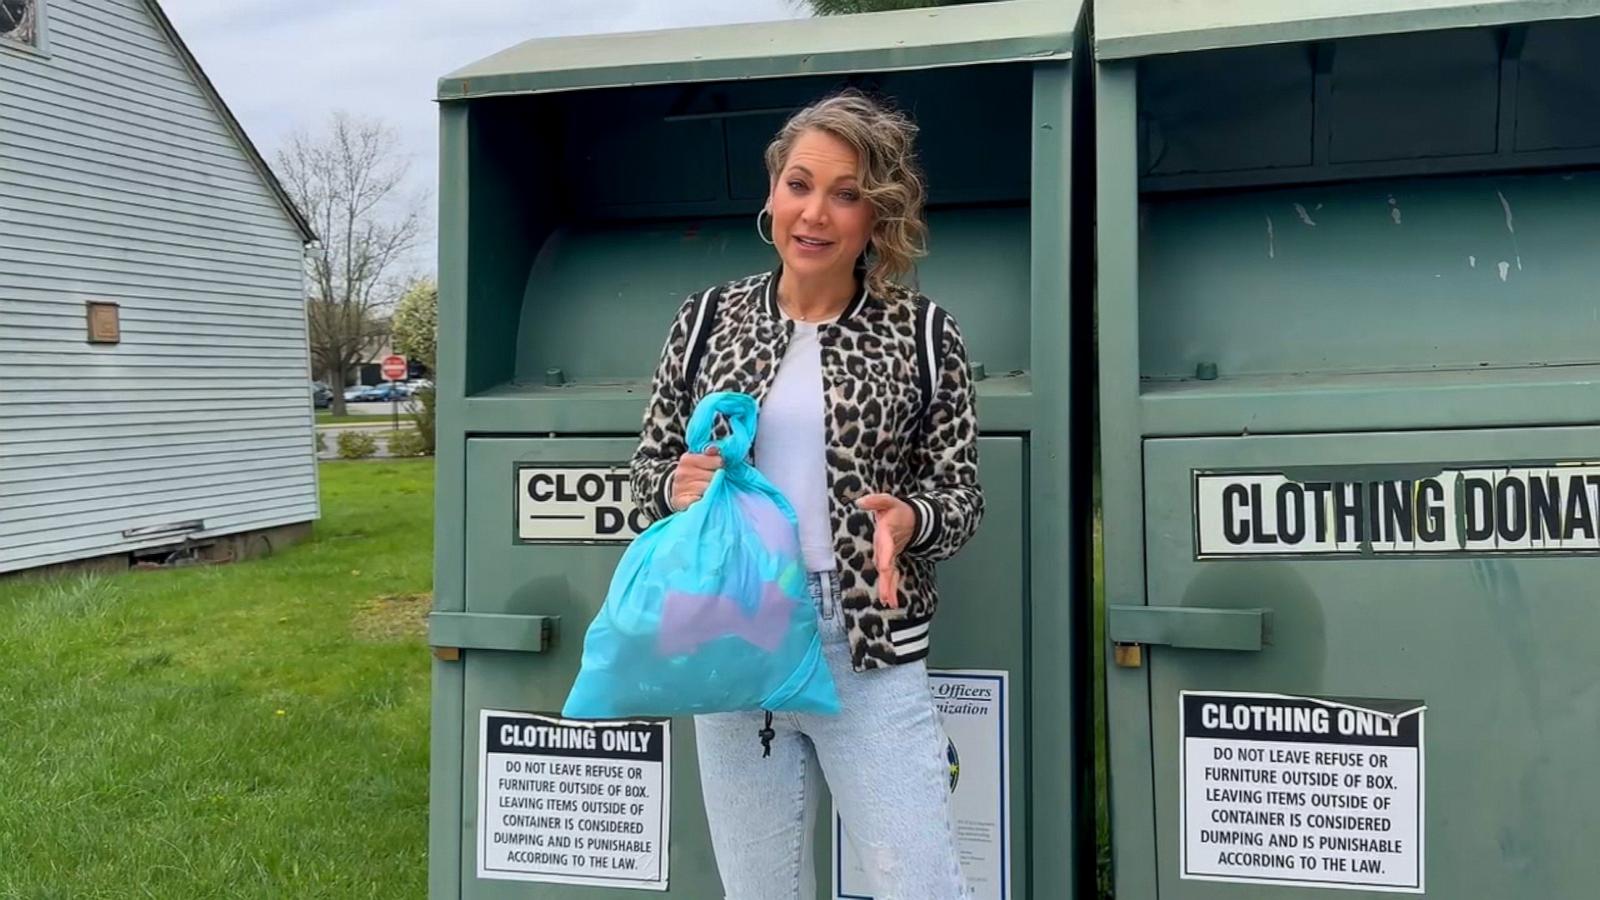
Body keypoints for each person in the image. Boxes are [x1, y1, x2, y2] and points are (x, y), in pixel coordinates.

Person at [630, 89, 984, 900]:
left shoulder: (925, 334)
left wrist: (911, 517)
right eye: (799, 183)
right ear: (772, 191)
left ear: (877, 216)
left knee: (920, 883)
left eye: (847, 193)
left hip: (865, 645)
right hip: (732, 631)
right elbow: (647, 470)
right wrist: (674, 488)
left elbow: (960, 493)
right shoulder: (707, 320)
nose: (815, 213)